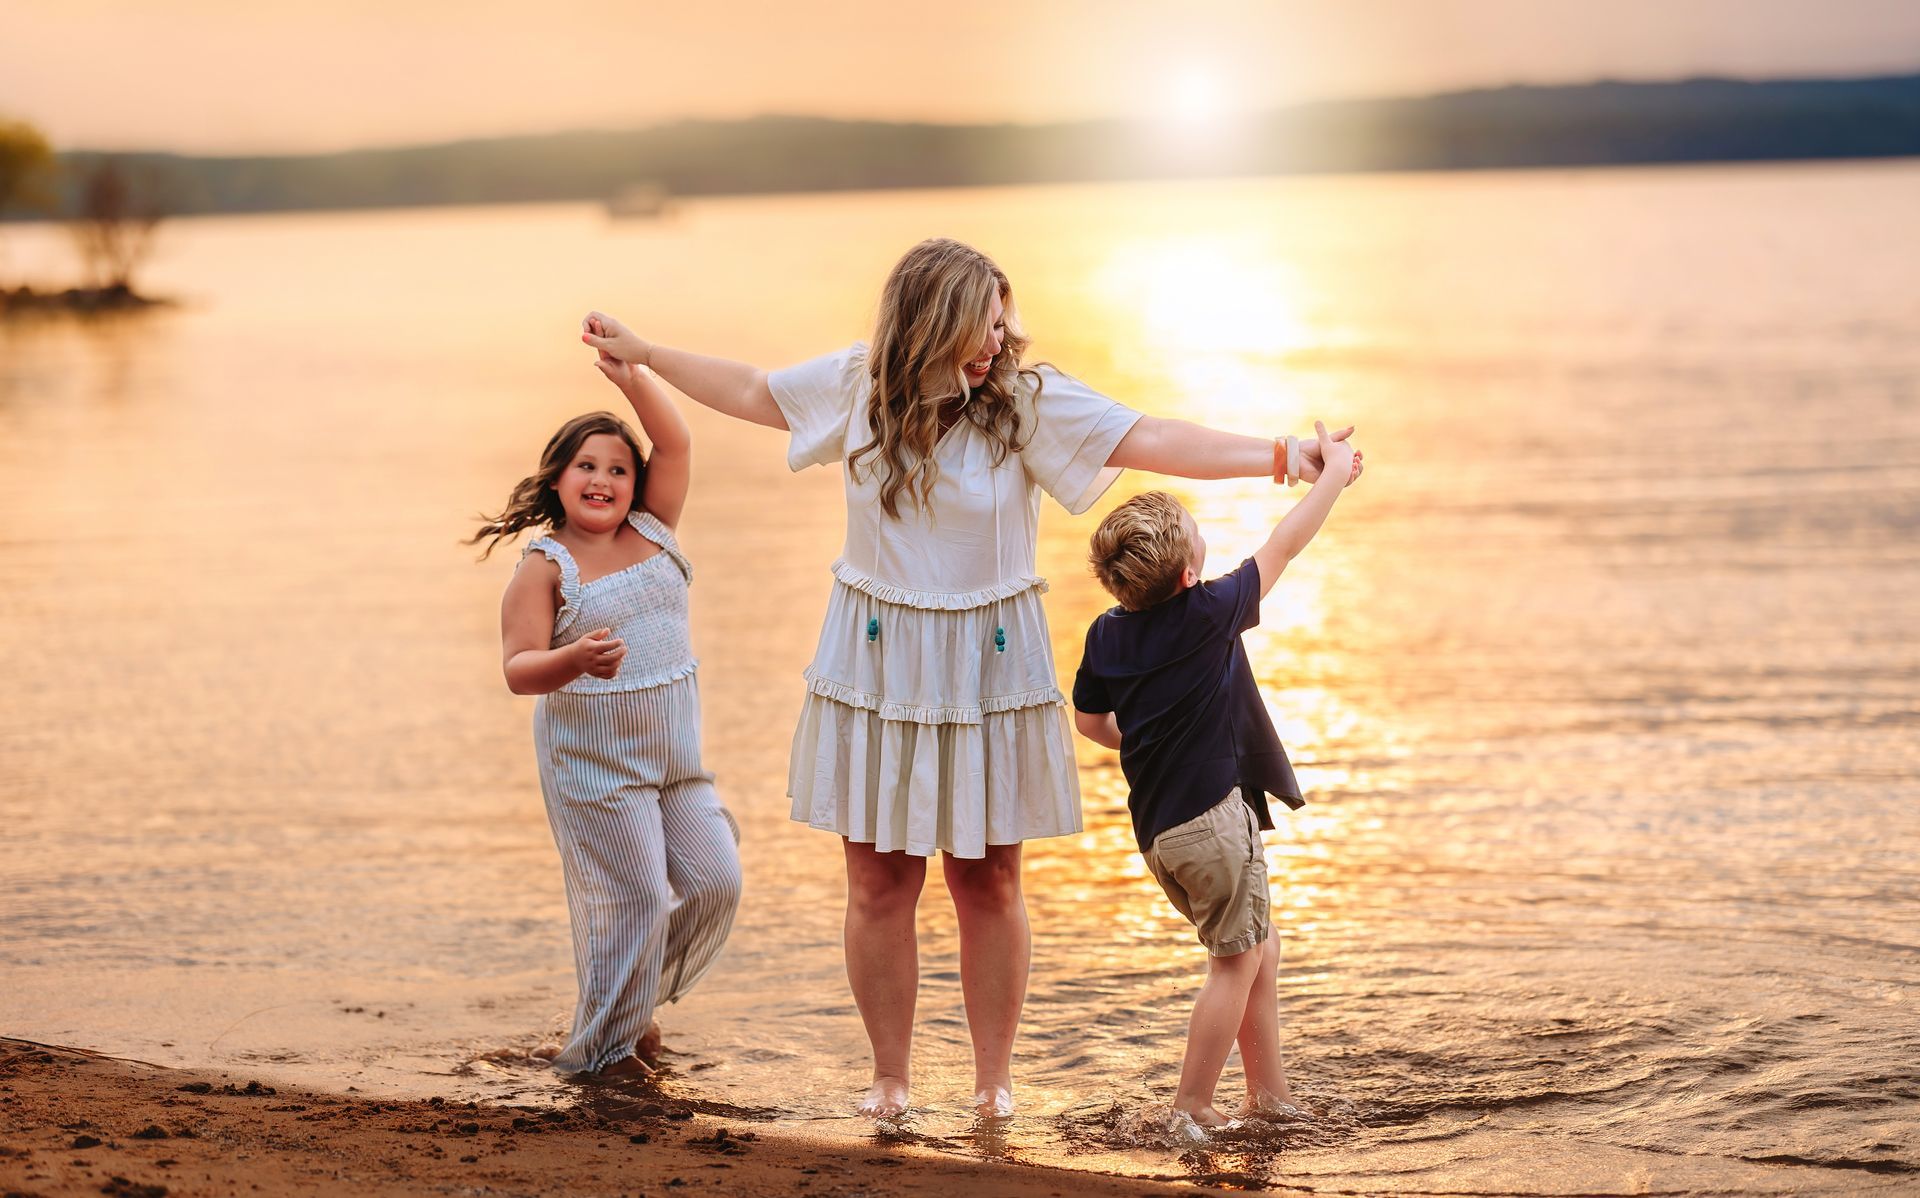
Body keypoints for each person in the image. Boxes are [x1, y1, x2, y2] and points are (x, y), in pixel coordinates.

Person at [581, 237, 1363, 1118]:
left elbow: (1147, 435)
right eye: (980, 324)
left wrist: (1280, 456)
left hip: (990, 659)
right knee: (880, 883)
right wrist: (647, 357)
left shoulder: (1024, 404)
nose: (996, 341)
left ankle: (993, 1084)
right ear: (932, 319)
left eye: (1001, 322)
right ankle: (892, 1079)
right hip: (877, 658)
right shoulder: (860, 388)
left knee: (987, 879)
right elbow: (757, 391)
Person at [1069, 422, 1356, 1139]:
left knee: (1259, 945)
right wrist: (1332, 475)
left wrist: (1147, 734)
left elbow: (1089, 721)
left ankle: (1270, 1096)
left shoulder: (1107, 634)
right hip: (1215, 825)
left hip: (1162, 834)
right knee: (1233, 963)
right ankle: (1192, 1103)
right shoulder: (1208, 613)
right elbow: (1287, 542)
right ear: (1190, 575)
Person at [469, 335, 741, 1078]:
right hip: (596, 768)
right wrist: (574, 659)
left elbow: (676, 438)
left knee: (717, 881)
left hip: (678, 763)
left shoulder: (654, 528)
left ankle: (621, 1012)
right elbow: (519, 670)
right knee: (639, 901)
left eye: (618, 469)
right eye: (586, 465)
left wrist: (631, 374)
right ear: (557, 479)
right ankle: (604, 1054)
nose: (603, 479)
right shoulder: (544, 566)